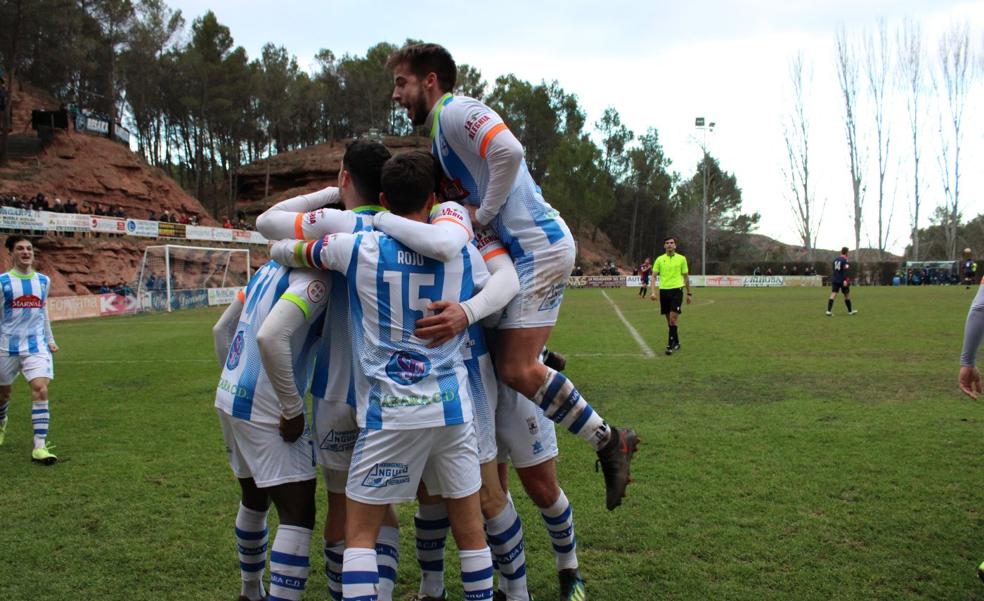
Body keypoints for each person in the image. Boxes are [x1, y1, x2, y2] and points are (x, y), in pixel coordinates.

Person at [387, 42, 637, 511]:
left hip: (537, 248)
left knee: (515, 369)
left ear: (430, 79)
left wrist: (484, 213)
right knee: (511, 359)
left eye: (401, 82)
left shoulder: (456, 111)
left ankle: (610, 440)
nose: (395, 95)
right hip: (526, 251)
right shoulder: (441, 135)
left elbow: (509, 150)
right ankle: (546, 359)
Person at [273, 152, 496, 601]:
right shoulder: (464, 257)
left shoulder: (358, 247)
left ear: (380, 199)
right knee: (472, 535)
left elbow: (288, 248)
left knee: (359, 536)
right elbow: (495, 283)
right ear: (432, 199)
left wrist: (286, 250)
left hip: (388, 414)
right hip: (453, 413)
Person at [212, 256, 331, 601]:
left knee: (254, 498)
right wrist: (292, 408)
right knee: (298, 512)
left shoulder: (266, 269)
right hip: (269, 408)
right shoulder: (315, 275)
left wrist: (233, 379)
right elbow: (270, 336)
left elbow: (220, 330)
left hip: (230, 396)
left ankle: (250, 591)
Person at [0, 236, 59, 463]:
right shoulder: (3, 282)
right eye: (20, 249)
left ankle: (40, 447)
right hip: (6, 346)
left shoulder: (43, 281)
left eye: (29, 249)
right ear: (11, 254)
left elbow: (43, 312)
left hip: (36, 345)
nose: (26, 252)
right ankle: (2, 420)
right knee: (3, 394)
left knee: (40, 388)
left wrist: (50, 339)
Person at [650, 236, 691, 356]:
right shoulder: (659, 259)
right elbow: (653, 276)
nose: (669, 245)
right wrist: (653, 292)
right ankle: (677, 342)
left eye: (671, 243)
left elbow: (686, 277)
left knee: (673, 319)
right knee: (670, 322)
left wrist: (689, 293)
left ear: (675, 245)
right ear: (664, 246)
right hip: (664, 291)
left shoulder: (682, 259)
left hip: (677, 290)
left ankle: (669, 346)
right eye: (667, 243)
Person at [826, 247, 857, 316]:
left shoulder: (835, 260)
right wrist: (845, 280)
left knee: (833, 294)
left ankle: (828, 311)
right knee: (846, 295)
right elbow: (845, 271)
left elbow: (834, 270)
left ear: (841, 252)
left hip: (835, 279)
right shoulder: (845, 260)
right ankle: (850, 311)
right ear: (846, 253)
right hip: (842, 280)